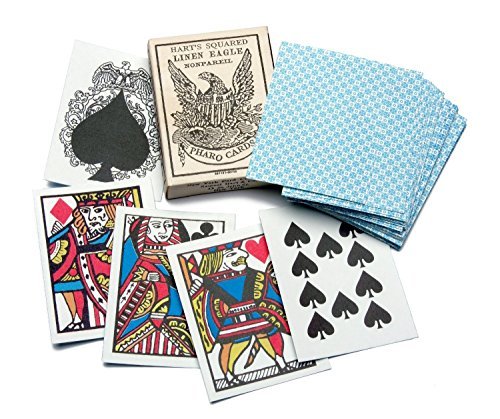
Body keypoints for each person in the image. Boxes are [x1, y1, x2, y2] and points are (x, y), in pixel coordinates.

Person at [191, 241, 290, 385]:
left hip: (256, 314)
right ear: (216, 261)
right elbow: (203, 307)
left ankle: (281, 362)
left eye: (240, 251)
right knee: (236, 344)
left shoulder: (255, 275)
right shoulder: (208, 283)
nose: (243, 255)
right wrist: (196, 291)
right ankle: (228, 376)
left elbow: (268, 290)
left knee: (269, 335)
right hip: (231, 321)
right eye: (231, 254)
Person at [48, 189, 132, 331]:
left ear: (112, 211)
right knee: (68, 278)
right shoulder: (76, 231)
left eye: (98, 211)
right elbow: (61, 240)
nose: (92, 217)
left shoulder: (123, 231)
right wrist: (59, 229)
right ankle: (77, 318)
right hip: (85, 273)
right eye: (86, 211)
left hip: (112, 284)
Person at [114, 216, 194, 356]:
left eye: (168, 226)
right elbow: (129, 276)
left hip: (175, 314)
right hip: (142, 316)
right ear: (146, 228)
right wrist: (148, 277)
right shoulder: (135, 252)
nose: (164, 231)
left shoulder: (177, 256)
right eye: (157, 226)